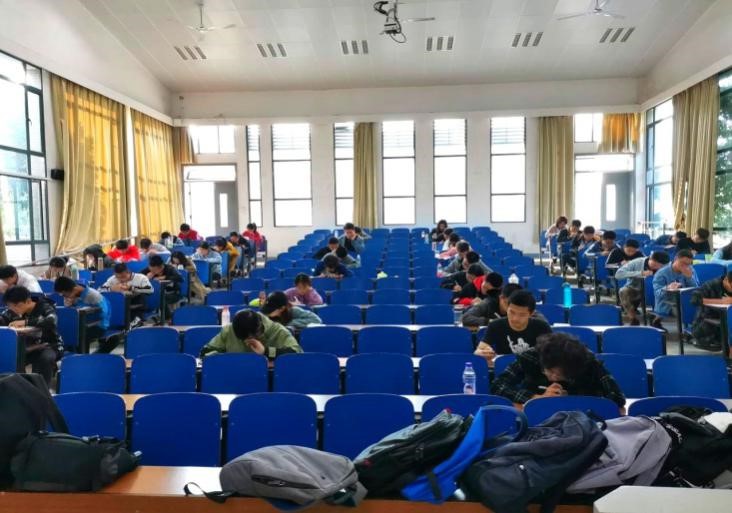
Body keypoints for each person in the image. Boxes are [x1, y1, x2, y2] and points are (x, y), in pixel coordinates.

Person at [491, 333, 626, 411]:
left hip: (580, 418)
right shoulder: (532, 356)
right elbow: (498, 385)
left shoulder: (588, 361)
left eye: (561, 375)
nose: (553, 378)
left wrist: (571, 398)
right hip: (535, 414)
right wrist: (535, 398)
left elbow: (617, 397)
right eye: (549, 371)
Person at [0, 286, 63, 386]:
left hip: (50, 345)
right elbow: (2, 318)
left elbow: (52, 321)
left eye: (17, 306)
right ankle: (22, 387)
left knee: (45, 359)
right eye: (10, 306)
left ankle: (42, 390)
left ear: (28, 301)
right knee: (13, 357)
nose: (14, 310)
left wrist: (26, 322)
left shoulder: (44, 307)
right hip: (28, 347)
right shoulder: (12, 311)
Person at [474, 290, 552, 362]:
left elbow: (553, 353)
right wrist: (482, 353)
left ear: (531, 314)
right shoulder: (495, 325)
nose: (515, 318)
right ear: (507, 308)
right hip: (505, 367)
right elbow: (478, 351)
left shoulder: (542, 327)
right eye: (512, 312)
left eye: (522, 315)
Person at [200, 309, 302, 359]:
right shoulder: (229, 330)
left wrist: (266, 351)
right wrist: (224, 359)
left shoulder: (277, 330)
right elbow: (205, 351)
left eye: (251, 337)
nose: (247, 342)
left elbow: (297, 353)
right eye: (243, 339)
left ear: (259, 329)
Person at [54, 276, 115, 353]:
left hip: (98, 325)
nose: (64, 297)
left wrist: (84, 311)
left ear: (74, 289)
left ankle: (82, 356)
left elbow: (103, 314)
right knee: (65, 331)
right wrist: (69, 307)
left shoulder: (93, 295)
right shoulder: (69, 296)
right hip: (79, 325)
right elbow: (69, 315)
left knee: (78, 334)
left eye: (64, 295)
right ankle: (71, 355)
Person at [615, 251, 670, 325]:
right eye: (655, 265)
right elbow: (618, 274)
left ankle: (657, 321)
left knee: (669, 294)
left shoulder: (667, 266)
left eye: (661, 266)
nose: (658, 268)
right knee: (623, 291)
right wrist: (640, 273)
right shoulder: (637, 262)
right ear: (650, 259)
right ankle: (633, 318)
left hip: (656, 290)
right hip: (636, 289)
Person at [652, 249, 699, 329]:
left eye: (688, 264)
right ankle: (690, 330)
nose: (685, 266)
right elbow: (657, 294)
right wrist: (667, 288)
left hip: (686, 301)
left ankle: (693, 329)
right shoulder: (661, 273)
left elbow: (696, 290)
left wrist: (689, 278)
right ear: (676, 259)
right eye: (683, 263)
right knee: (688, 311)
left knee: (702, 309)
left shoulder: (690, 270)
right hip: (668, 303)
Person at [99, 263, 154, 327]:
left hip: (136, 307)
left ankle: (133, 324)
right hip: (118, 308)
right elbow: (99, 290)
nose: (121, 280)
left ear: (128, 272)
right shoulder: (113, 279)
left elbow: (150, 290)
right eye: (118, 277)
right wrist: (111, 289)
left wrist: (131, 288)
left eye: (123, 277)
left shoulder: (140, 278)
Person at [690, 271, 732, 351]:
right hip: (706, 325)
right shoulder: (712, 285)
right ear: (726, 280)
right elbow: (694, 300)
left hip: (725, 324)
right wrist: (721, 301)